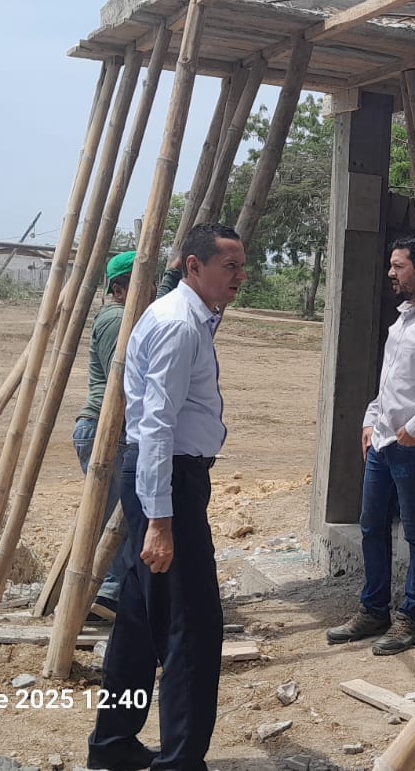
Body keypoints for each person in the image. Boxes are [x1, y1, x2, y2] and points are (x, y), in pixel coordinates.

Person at [87, 223, 246, 771]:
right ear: (193, 266)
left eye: (242, 267)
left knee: (138, 622)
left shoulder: (187, 316)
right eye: (230, 267)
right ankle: (180, 760)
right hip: (169, 482)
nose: (240, 277)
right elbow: (156, 425)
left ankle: (113, 744)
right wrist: (161, 520)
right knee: (191, 628)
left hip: (166, 480)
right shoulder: (179, 325)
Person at [327, 235, 415, 656]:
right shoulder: (405, 318)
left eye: (398, 266)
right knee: (372, 525)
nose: (391, 273)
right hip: (383, 442)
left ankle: (412, 617)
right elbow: (390, 379)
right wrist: (371, 420)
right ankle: (374, 610)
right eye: (391, 266)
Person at [72, 249, 137, 617]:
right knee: (116, 518)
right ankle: (108, 597)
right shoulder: (116, 320)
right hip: (106, 426)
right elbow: (121, 382)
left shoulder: (125, 317)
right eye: (143, 286)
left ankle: (113, 594)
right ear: (120, 289)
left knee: (118, 514)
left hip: (108, 428)